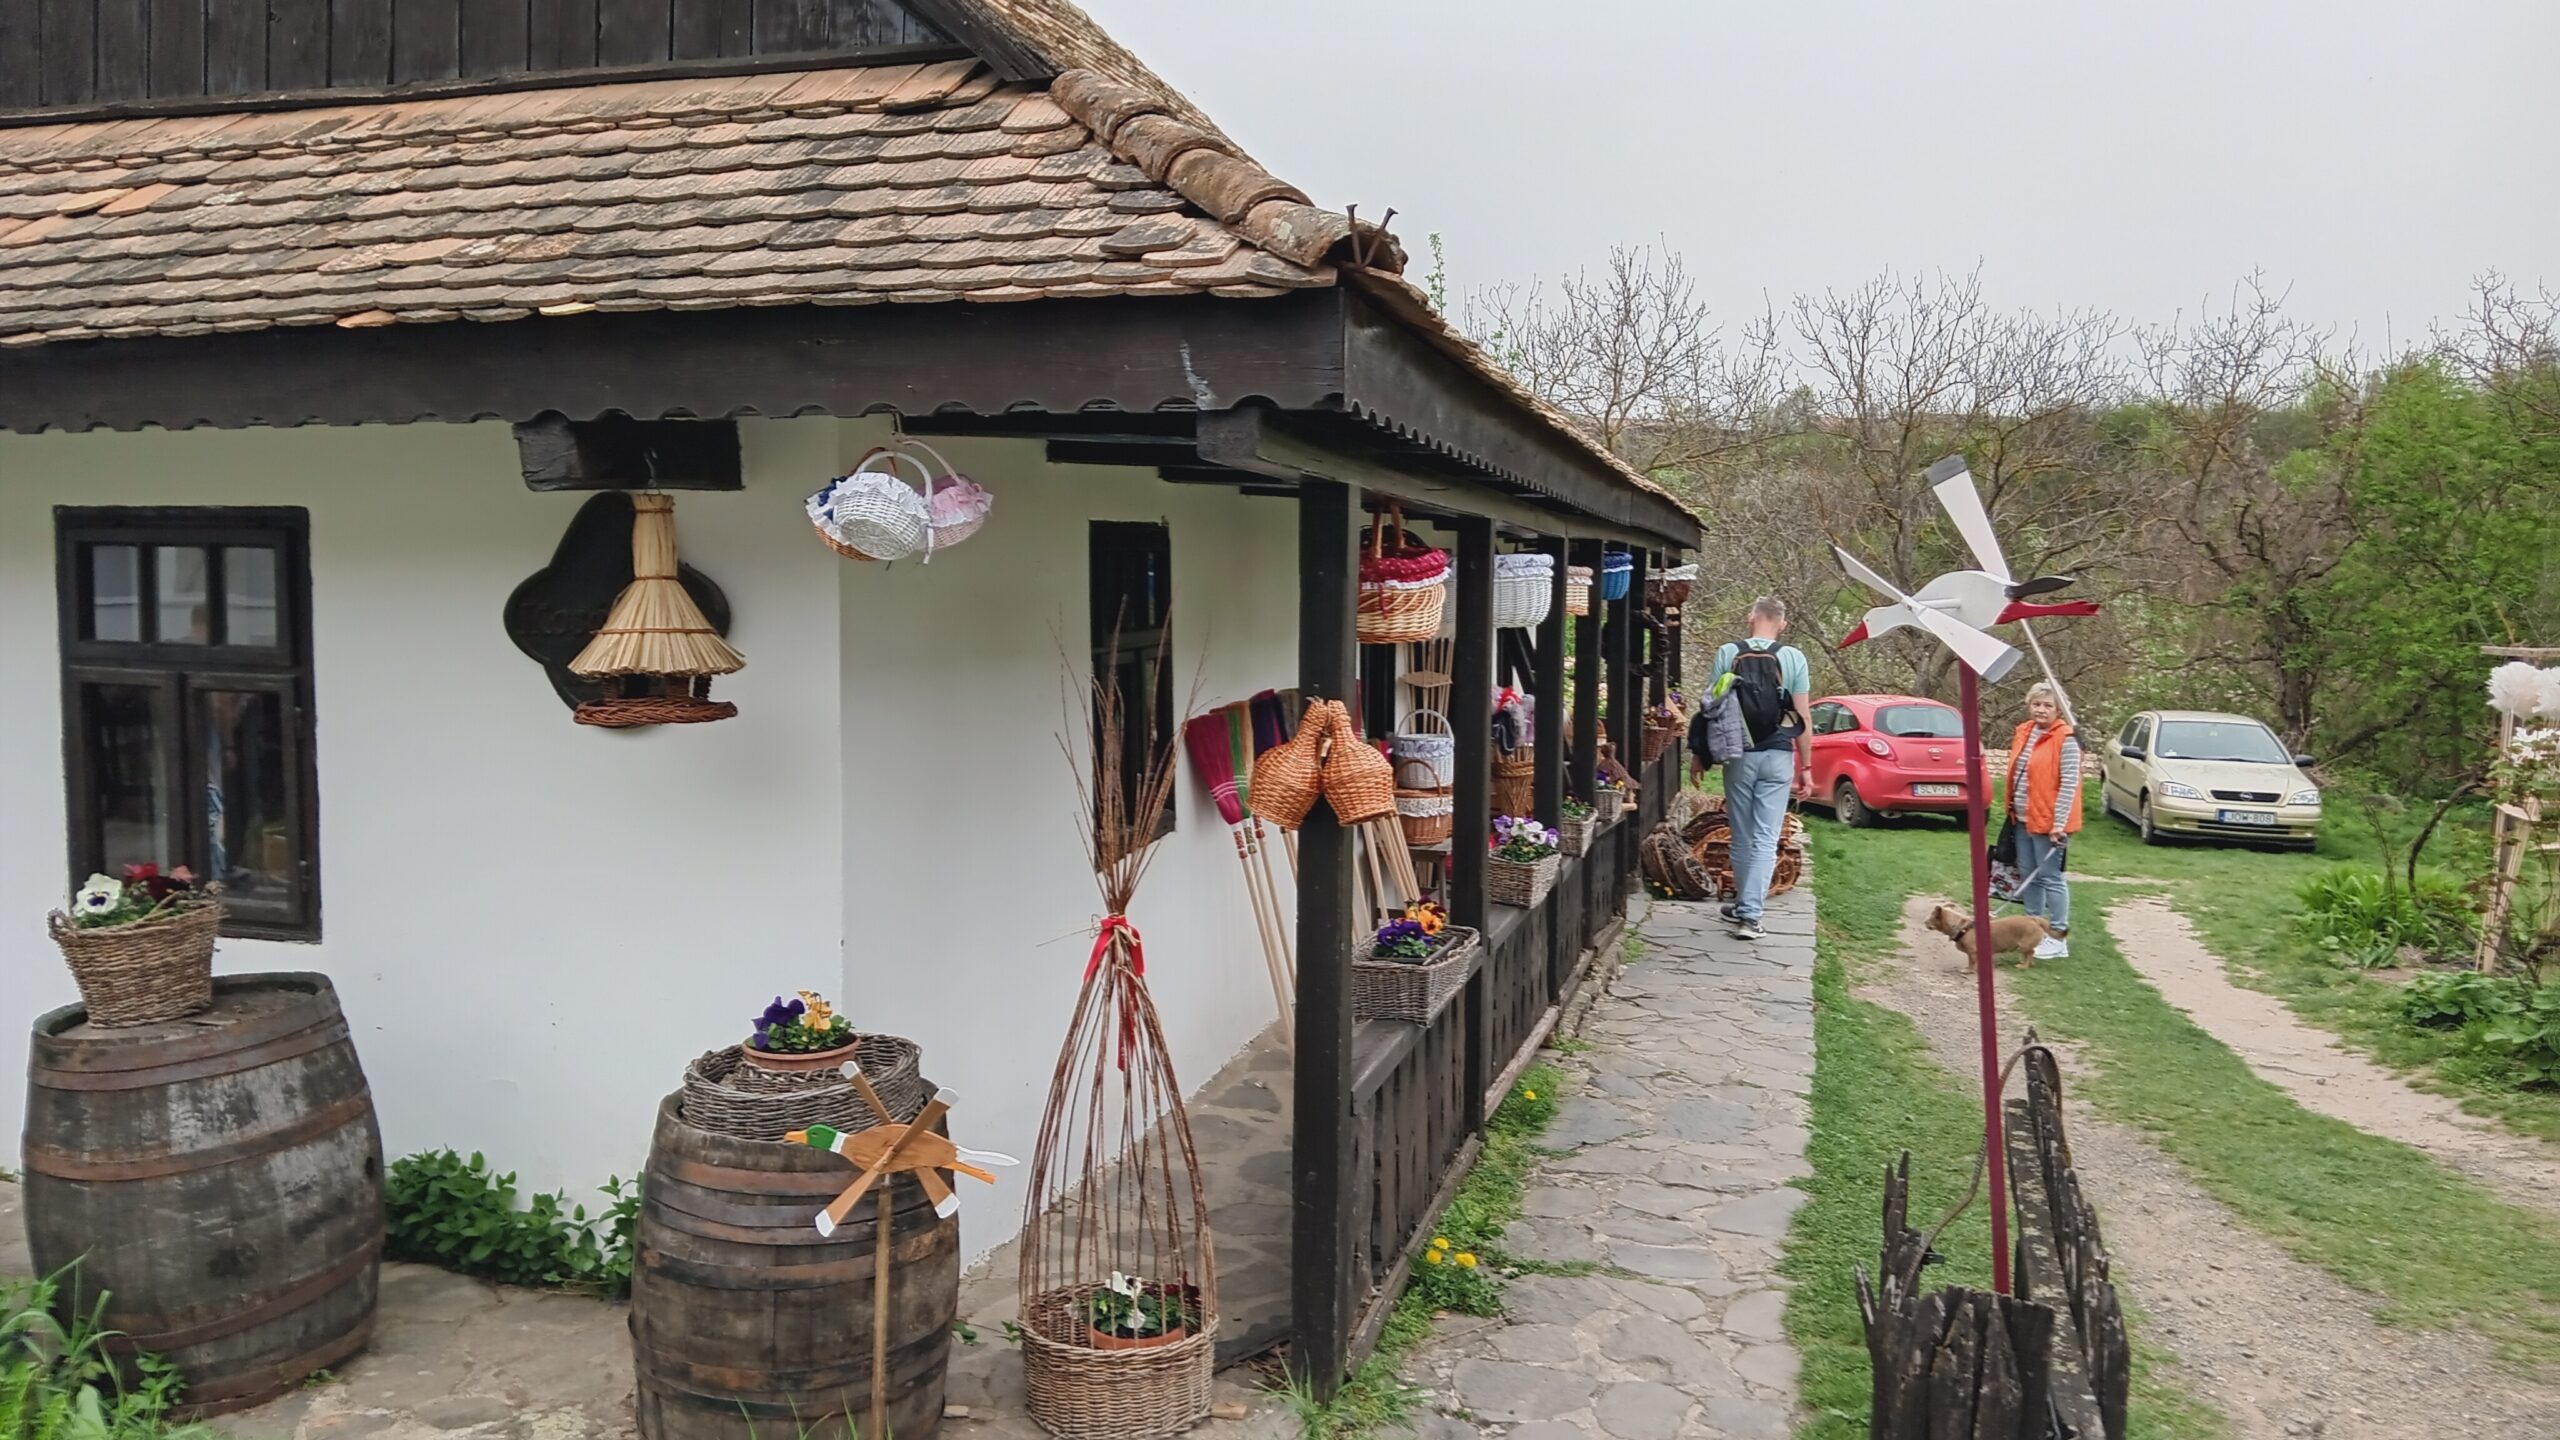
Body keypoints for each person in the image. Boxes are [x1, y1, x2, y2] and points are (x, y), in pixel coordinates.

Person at [1709, 597, 1813, 940]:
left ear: (1750, 617)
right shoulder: (1793, 657)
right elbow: (1803, 716)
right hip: (1778, 755)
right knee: (1767, 838)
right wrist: (1807, 766)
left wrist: (1701, 754)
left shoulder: (1728, 653)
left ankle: (1744, 907)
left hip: (1739, 753)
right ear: (1782, 624)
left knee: (1741, 834)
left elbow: (1712, 707)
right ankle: (1750, 915)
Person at [2006, 682, 2083, 960]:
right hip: (2022, 818)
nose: (2041, 709)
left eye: (2048, 705)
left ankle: (2058, 937)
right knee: (2029, 875)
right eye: (2036, 704)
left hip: (2050, 823)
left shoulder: (2067, 738)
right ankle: (2032, 930)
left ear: (2059, 709)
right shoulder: (2025, 732)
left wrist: (2059, 824)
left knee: (2051, 877)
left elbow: (2069, 784)